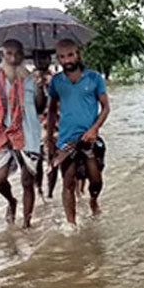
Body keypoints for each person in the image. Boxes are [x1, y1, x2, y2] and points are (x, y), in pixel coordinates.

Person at [0, 39, 46, 228]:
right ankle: (11, 201)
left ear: (23, 56)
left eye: (17, 53)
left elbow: (40, 108)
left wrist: (41, 87)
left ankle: (26, 223)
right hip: (3, 137)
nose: (14, 58)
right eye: (9, 53)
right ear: (2, 55)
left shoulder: (31, 79)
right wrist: (4, 134)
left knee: (27, 181)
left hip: (29, 135)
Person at [47, 39, 110, 226]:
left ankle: (93, 200)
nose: (67, 60)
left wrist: (94, 129)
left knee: (96, 180)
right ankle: (72, 224)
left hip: (89, 137)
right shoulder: (56, 82)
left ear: (78, 54)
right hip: (66, 139)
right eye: (62, 57)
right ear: (58, 59)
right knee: (68, 183)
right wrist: (50, 138)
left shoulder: (94, 78)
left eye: (70, 55)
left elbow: (106, 107)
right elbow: (51, 111)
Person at [31, 50, 58, 199]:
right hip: (35, 125)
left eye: (45, 57)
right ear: (34, 60)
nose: (42, 61)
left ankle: (50, 193)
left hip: (55, 123)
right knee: (37, 161)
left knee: (53, 160)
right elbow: (37, 107)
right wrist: (39, 88)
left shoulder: (56, 77)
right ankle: (39, 189)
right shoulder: (28, 79)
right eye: (39, 58)